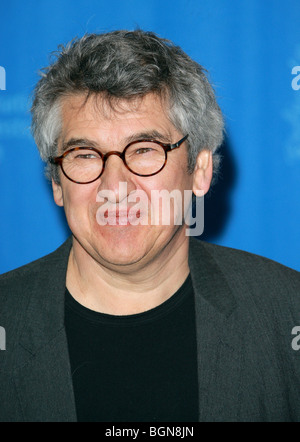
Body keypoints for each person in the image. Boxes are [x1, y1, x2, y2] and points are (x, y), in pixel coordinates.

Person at [0, 29, 300, 423]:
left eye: (144, 150)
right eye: (85, 154)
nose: (115, 188)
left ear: (200, 172)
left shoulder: (287, 314)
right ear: (57, 183)